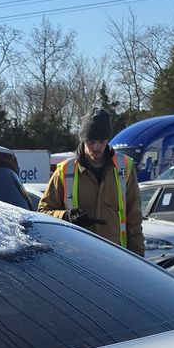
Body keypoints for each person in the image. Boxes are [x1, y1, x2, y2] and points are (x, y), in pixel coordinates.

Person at [37, 108, 143, 255]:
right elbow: (43, 212)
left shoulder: (125, 167)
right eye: (91, 142)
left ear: (108, 140)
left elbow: (134, 218)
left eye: (102, 141)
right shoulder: (64, 171)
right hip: (78, 259)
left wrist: (139, 259)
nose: (97, 147)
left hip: (116, 257)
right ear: (83, 140)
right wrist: (66, 216)